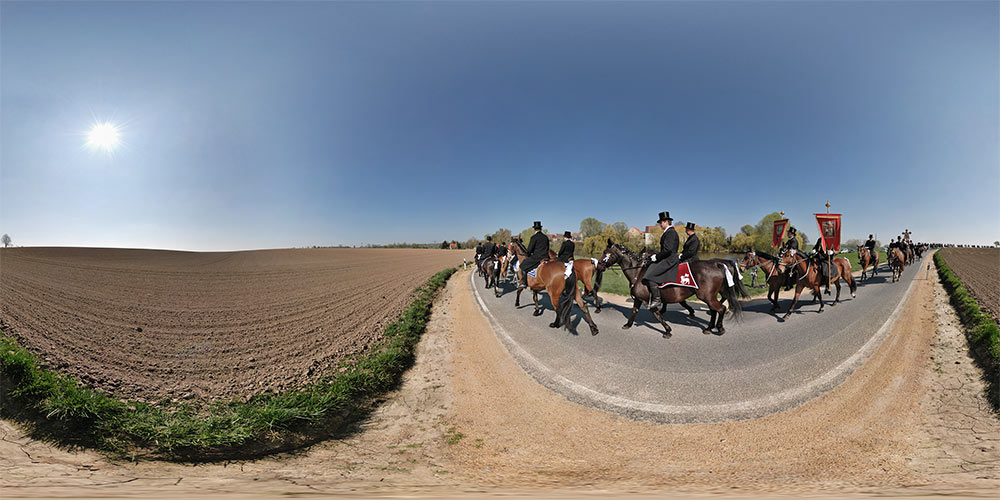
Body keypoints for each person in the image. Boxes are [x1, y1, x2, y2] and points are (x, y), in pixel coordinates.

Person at [642, 211, 679, 310]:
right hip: (667, 257)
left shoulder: (671, 232)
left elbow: (668, 250)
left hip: (669, 259)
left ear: (666, 222)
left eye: (661, 222)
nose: (660, 224)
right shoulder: (668, 232)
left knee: (650, 275)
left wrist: (657, 257)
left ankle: (657, 299)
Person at [519, 221, 549, 289]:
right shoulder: (545, 237)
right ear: (540, 228)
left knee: (523, 265)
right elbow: (547, 248)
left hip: (537, 257)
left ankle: (524, 282)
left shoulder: (534, 237)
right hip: (546, 257)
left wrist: (528, 253)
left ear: (534, 229)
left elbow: (530, 249)